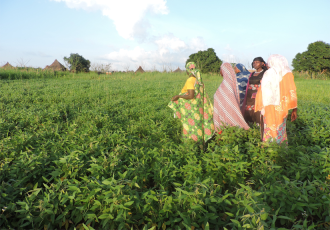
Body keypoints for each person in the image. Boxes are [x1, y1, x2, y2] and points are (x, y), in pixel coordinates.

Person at [255, 54, 298, 144]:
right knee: (280, 128)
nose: (267, 64)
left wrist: (260, 105)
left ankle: (269, 149)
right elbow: (292, 91)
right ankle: (281, 148)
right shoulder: (287, 73)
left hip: (269, 106)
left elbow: (262, 91)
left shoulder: (269, 73)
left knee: (269, 128)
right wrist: (294, 109)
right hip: (282, 107)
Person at [168, 62, 214, 144]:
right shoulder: (198, 80)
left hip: (190, 109)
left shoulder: (190, 80)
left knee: (189, 126)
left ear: (188, 71)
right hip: (198, 107)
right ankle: (201, 146)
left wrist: (178, 96)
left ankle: (189, 146)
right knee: (198, 126)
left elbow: (191, 95)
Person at [213, 63, 250, 132]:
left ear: (224, 70)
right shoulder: (231, 80)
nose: (220, 72)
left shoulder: (227, 82)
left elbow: (227, 97)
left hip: (227, 109)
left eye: (221, 70)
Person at [241, 57, 268, 126]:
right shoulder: (252, 74)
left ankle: (258, 125)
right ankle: (249, 125)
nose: (254, 64)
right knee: (249, 109)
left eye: (257, 62)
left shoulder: (265, 73)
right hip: (250, 95)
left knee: (258, 109)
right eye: (253, 62)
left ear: (262, 63)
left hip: (259, 95)